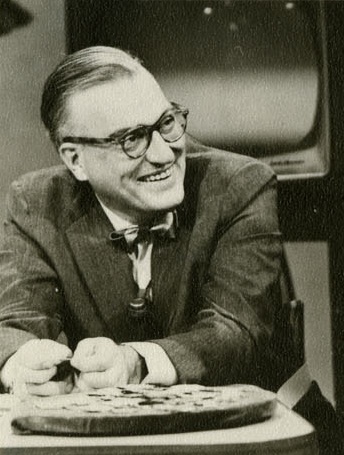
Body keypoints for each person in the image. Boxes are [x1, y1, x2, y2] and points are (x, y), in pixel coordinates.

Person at [0, 46, 289, 396]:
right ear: (76, 160)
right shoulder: (36, 203)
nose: (164, 154)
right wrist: (23, 363)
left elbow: (235, 332)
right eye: (132, 139)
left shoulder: (240, 185)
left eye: (166, 123)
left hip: (246, 420)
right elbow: (15, 324)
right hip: (109, 429)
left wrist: (136, 362)